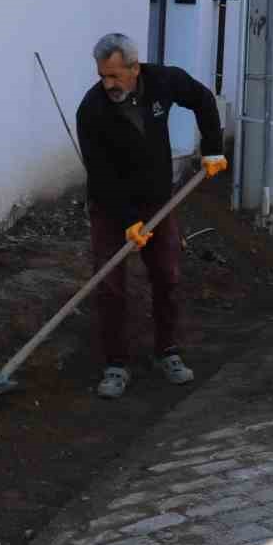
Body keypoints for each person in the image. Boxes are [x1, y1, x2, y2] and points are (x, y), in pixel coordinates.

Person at [76, 33, 228, 399]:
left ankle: (167, 351)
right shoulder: (92, 110)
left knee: (166, 276)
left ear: (134, 67)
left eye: (114, 76)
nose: (107, 83)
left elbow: (203, 100)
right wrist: (127, 218)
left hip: (158, 203)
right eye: (102, 76)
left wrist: (212, 149)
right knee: (111, 284)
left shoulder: (163, 80)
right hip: (111, 207)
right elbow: (101, 173)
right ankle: (115, 363)